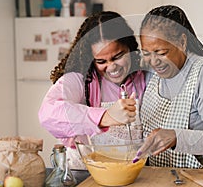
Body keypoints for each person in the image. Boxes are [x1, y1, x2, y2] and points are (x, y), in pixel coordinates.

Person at [133, 5, 203, 170]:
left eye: (160, 52)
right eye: (147, 53)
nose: (153, 61)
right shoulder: (151, 73)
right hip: (164, 177)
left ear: (182, 42)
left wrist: (176, 137)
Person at [38, 11, 146, 168]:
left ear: (129, 47)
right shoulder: (80, 80)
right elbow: (48, 114)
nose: (112, 66)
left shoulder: (143, 78)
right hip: (85, 170)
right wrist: (105, 117)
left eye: (117, 56)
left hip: (132, 168)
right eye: (101, 61)